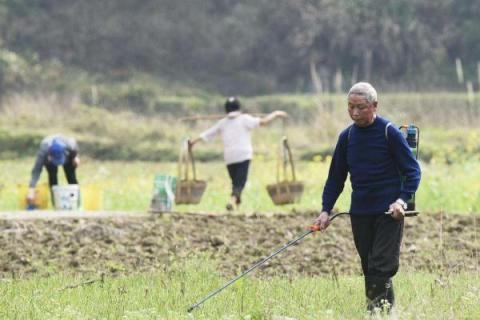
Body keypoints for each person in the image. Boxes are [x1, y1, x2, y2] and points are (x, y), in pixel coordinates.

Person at [313, 82, 421, 313]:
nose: (354, 112)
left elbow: (413, 172)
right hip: (360, 212)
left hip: (388, 212)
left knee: (381, 266)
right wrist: (325, 210)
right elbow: (335, 179)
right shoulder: (347, 137)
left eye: (360, 107)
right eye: (350, 107)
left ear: (374, 106)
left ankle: (375, 313)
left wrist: (401, 201)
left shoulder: (389, 132)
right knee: (369, 267)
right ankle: (386, 313)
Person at [189, 96, 287, 211]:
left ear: (226, 110)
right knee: (239, 183)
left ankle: (237, 207)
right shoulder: (245, 119)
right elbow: (264, 122)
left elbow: (208, 133)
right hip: (243, 155)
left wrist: (193, 142)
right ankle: (231, 201)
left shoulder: (223, 123)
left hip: (230, 157)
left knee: (236, 183)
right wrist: (276, 114)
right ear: (239, 108)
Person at [27, 134, 80, 206]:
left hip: (67, 156)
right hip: (49, 160)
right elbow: (36, 170)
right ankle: (56, 204)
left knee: (71, 177)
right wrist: (31, 189)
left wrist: (75, 157)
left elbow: (74, 150)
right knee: (52, 177)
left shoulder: (70, 146)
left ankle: (76, 203)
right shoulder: (44, 151)